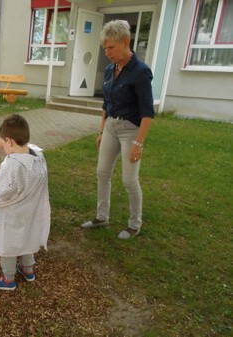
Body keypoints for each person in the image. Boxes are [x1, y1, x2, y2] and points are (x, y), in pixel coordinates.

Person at [81, 20, 154, 240]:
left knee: (129, 180)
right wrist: (102, 131)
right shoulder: (110, 70)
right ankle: (102, 217)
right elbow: (107, 104)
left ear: (126, 42)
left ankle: (134, 224)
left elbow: (147, 112)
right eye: (105, 48)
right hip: (111, 126)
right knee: (102, 173)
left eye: (111, 47)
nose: (107, 52)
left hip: (130, 130)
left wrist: (138, 143)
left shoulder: (140, 72)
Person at [0, 114, 51, 290]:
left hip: (12, 216)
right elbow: (28, 147)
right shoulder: (37, 156)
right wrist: (4, 142)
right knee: (28, 237)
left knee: (8, 244)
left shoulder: (12, 165)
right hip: (30, 211)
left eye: (5, 143)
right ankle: (28, 269)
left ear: (10, 141)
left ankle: (8, 278)